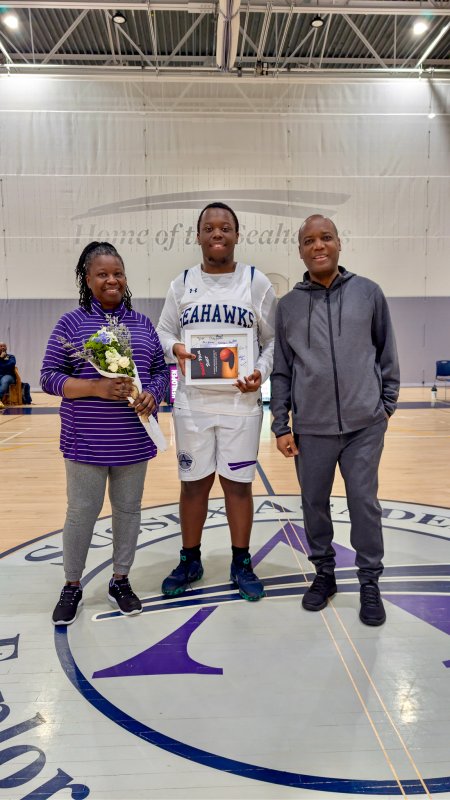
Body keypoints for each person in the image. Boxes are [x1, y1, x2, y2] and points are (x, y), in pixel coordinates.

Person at [270, 215, 400, 626]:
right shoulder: (287, 306)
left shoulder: (368, 293)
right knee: (314, 504)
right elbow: (282, 369)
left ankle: (369, 581)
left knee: (364, 504)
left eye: (325, 238)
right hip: (311, 429)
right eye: (309, 241)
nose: (318, 245)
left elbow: (386, 353)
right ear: (300, 251)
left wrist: (386, 405)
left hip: (364, 426)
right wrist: (281, 424)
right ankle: (324, 573)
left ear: (339, 244)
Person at [41, 241, 168, 625]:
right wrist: (94, 388)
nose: (112, 280)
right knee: (81, 514)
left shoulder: (143, 324)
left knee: (128, 512)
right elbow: (48, 378)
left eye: (118, 273)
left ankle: (120, 579)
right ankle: (72, 585)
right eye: (103, 274)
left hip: (133, 439)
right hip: (86, 440)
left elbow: (161, 372)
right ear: (88, 278)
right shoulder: (71, 324)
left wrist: (153, 395)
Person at [156, 202, 277, 601]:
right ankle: (190, 558)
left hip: (241, 404)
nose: (217, 234)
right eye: (209, 228)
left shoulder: (257, 283)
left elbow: (274, 339)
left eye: (225, 228)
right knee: (194, 485)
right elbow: (163, 331)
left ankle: (241, 562)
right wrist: (175, 346)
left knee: (238, 486)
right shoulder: (182, 283)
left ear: (237, 235)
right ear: (198, 236)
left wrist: (260, 369)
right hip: (192, 403)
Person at [0, 342, 16, 408]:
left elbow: (10, 365)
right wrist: (0, 358)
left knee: (5, 381)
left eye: (4, 346)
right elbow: (6, 366)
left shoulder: (11, 357)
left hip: (8, 375)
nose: (3, 347)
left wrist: (2, 364)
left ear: (6, 348)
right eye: (1, 346)